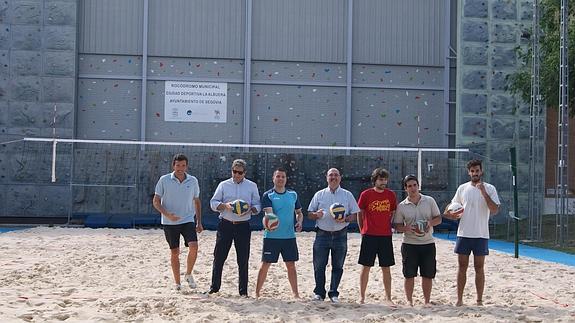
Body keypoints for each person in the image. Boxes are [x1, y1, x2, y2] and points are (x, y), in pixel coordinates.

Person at [444, 159, 500, 306]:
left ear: (481, 171)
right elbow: (449, 209)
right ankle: (459, 299)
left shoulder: (489, 188)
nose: (475, 173)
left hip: (481, 234)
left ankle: (479, 300)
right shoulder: (462, 188)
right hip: (464, 233)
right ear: (469, 172)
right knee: (462, 267)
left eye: (477, 170)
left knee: (479, 268)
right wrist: (451, 214)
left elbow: (494, 210)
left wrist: (483, 192)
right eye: (472, 171)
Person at [208, 159, 261, 297]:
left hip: (243, 226)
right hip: (225, 224)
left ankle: (243, 292)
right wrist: (225, 206)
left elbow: (258, 205)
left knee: (243, 259)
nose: (236, 175)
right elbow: (213, 203)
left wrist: (250, 209)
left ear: (245, 173)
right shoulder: (224, 185)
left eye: (240, 172)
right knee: (219, 257)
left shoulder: (251, 186)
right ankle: (214, 288)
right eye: (234, 171)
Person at [308, 168, 360, 304]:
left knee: (338, 266)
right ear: (326, 178)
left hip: (340, 234)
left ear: (340, 178)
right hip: (322, 234)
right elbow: (309, 213)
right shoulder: (319, 195)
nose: (333, 177)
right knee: (319, 265)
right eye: (331, 175)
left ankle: (333, 293)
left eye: (336, 175)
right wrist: (316, 215)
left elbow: (355, 215)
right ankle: (319, 292)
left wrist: (346, 219)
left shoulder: (347, 195)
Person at [152, 153, 203, 291]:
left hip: (187, 220)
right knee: (175, 252)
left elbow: (197, 201)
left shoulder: (193, 181)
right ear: (173, 165)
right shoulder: (164, 180)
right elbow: (156, 201)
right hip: (169, 222)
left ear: (187, 166)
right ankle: (177, 283)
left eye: (183, 165)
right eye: (178, 165)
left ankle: (188, 274)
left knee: (194, 246)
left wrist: (199, 222)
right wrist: (167, 214)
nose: (180, 168)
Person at [393, 175, 442, 306]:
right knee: (409, 275)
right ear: (405, 188)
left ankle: (426, 301)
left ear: (418, 186)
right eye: (409, 186)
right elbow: (396, 225)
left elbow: (439, 218)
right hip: (409, 243)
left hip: (428, 243)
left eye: (415, 185)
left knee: (428, 274)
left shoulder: (429, 200)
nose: (413, 188)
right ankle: (409, 301)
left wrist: (429, 223)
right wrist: (406, 228)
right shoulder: (401, 206)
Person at [255, 168, 304, 299]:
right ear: (273, 178)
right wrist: (268, 222)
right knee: (265, 264)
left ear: (286, 179)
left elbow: (299, 213)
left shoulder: (293, 195)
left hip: (289, 236)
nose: (280, 179)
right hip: (272, 237)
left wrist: (299, 222)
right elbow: (269, 215)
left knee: (291, 265)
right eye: (278, 176)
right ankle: (257, 293)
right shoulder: (268, 195)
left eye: (283, 176)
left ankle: (295, 293)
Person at [357, 167, 397, 305]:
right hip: (369, 234)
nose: (383, 181)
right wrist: (362, 230)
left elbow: (392, 213)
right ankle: (362, 297)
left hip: (385, 235)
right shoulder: (366, 194)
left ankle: (388, 297)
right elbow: (360, 213)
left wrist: (388, 226)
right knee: (365, 266)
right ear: (375, 180)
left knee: (386, 267)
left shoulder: (391, 195)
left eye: (385, 179)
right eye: (381, 179)